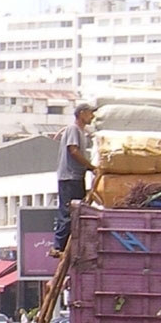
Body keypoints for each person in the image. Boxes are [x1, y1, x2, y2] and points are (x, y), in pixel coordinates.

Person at [51, 103, 98, 255]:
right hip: (69, 176)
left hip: (77, 176)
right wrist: (91, 167)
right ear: (82, 113)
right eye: (90, 113)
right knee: (67, 211)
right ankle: (59, 246)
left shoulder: (83, 133)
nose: (92, 116)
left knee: (78, 212)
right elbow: (73, 151)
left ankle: (73, 244)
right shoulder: (73, 129)